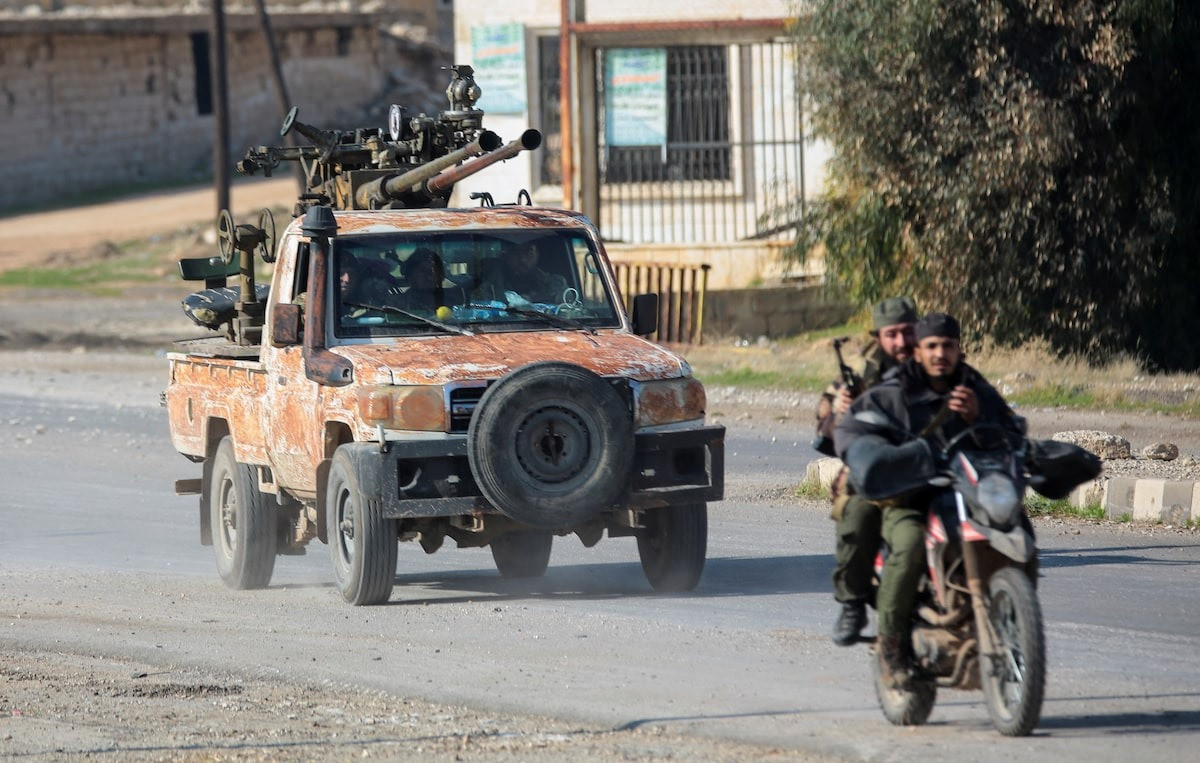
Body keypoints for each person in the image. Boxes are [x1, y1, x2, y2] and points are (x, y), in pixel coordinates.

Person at [833, 312, 1019, 688]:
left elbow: (1013, 433)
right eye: (931, 346)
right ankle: (891, 647)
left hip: (963, 492)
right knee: (911, 543)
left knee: (1012, 530)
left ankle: (1013, 617)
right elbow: (851, 430)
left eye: (948, 346)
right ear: (918, 351)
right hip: (907, 496)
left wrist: (978, 417)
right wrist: (876, 459)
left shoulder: (974, 388)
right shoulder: (892, 392)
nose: (940, 354)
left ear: (959, 349)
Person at [822, 297, 918, 647]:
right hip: (875, 469)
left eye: (908, 332)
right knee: (858, 515)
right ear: (879, 336)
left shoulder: (936, 359)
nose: (902, 342)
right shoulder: (862, 372)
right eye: (892, 334)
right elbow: (825, 426)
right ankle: (852, 603)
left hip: (930, 463)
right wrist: (838, 411)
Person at [478, 240, 568, 305]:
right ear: (505, 254)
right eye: (515, 252)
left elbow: (568, 309)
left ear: (537, 254)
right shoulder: (486, 282)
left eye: (529, 253)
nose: (522, 259)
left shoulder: (555, 284)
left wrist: (532, 298)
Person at [396, 247, 459, 314]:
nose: (429, 276)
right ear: (410, 276)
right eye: (423, 271)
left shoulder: (452, 300)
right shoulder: (400, 304)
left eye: (433, 271)